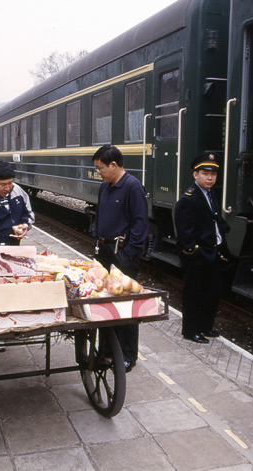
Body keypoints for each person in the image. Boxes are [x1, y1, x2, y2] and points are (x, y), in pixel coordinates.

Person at [92, 145, 149, 372]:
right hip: (104, 252)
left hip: (122, 253)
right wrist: (96, 241)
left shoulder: (132, 187)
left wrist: (128, 255)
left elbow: (140, 223)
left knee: (125, 305)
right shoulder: (105, 186)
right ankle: (105, 349)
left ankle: (127, 355)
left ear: (114, 165)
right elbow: (99, 216)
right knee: (104, 303)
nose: (99, 172)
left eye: (100, 168)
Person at [174, 152, 231, 344]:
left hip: (212, 252)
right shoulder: (189, 198)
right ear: (195, 175)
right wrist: (193, 251)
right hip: (198, 255)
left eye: (213, 174)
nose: (210, 177)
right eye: (205, 173)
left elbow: (214, 219)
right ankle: (191, 330)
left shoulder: (211, 194)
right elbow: (184, 231)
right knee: (194, 293)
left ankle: (206, 327)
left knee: (211, 292)